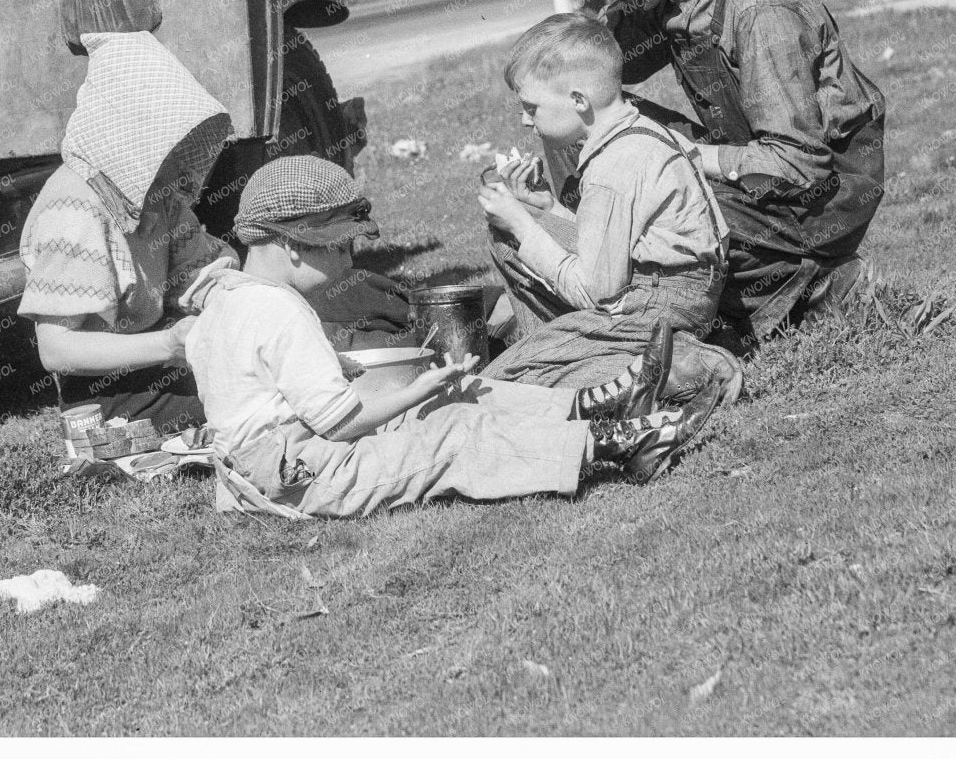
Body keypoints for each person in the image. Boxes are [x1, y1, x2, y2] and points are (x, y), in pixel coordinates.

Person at [183, 157, 729, 517]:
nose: (350, 258)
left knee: (452, 398)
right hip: (295, 476)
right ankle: (619, 442)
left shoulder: (225, 297)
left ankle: (596, 403)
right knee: (451, 432)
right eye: (342, 246)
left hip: (268, 459)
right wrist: (423, 387)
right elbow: (341, 421)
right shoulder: (280, 311)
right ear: (297, 244)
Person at [562, 0, 887, 344]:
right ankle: (656, 297)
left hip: (821, 200)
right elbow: (601, 72)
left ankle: (816, 283)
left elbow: (799, 164)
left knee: (664, 197)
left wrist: (681, 159)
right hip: (755, 170)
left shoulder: (759, 8)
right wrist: (594, 24)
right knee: (580, 121)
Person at [477, 15, 740, 404]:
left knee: (505, 381)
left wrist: (523, 226)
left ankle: (684, 369)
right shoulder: (638, 131)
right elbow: (619, 239)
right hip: (675, 290)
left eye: (531, 108)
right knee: (513, 234)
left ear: (579, 100)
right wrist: (546, 208)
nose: (524, 120)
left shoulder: (610, 168)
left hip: (653, 301)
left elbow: (596, 293)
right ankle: (609, 350)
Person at [16, 30, 239, 430]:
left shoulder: (156, 193)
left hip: (160, 354)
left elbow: (198, 268)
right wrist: (169, 345)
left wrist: (225, 290)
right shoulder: (75, 209)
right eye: (167, 139)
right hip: (107, 387)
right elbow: (56, 349)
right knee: (226, 405)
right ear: (133, 133)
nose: (179, 154)